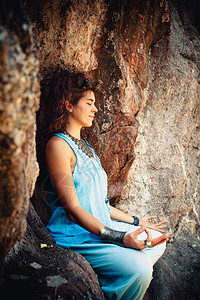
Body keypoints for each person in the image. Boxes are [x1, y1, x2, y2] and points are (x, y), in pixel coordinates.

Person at [39, 70, 168, 300]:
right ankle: (119, 280)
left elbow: (102, 205)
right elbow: (72, 209)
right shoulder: (57, 146)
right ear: (69, 105)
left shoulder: (87, 148)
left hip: (102, 227)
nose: (95, 109)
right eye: (89, 103)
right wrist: (120, 238)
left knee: (157, 240)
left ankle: (116, 275)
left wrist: (138, 221)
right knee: (141, 270)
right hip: (78, 236)